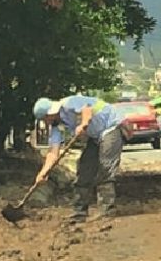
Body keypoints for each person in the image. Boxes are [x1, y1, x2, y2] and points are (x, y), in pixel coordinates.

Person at [33, 95, 123, 223]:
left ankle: (107, 209)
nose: (46, 122)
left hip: (110, 127)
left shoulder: (69, 102)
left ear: (50, 114)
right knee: (84, 168)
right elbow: (53, 152)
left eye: (45, 119)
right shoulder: (56, 127)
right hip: (95, 135)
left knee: (105, 167)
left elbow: (86, 110)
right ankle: (79, 211)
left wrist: (83, 124)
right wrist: (43, 172)